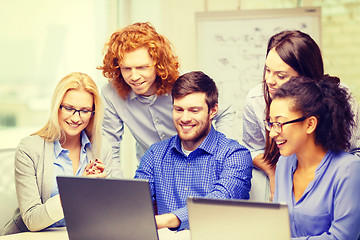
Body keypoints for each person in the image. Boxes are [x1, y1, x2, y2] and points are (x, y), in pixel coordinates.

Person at [98, 22, 234, 177]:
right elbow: (110, 145)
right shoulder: (111, 94)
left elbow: (225, 112)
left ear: (159, 64)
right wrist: (116, 188)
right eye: (126, 68)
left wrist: (221, 157)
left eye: (142, 67)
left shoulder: (185, 82)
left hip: (197, 167)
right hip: (152, 173)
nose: (134, 77)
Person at [242, 30, 360, 200]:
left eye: (281, 75)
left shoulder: (341, 98)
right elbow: (252, 148)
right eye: (267, 70)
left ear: (306, 78)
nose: (269, 80)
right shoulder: (256, 100)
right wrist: (275, 173)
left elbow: (354, 149)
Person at [134, 71, 252, 231]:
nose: (185, 118)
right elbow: (136, 202)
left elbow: (219, 202)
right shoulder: (155, 154)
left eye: (194, 110)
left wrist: (168, 220)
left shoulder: (235, 155)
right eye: (179, 109)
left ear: (213, 111)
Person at [1, 72, 112, 235]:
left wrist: (98, 190)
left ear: (93, 113)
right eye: (69, 108)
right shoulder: (29, 148)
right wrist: (77, 189)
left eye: (85, 110)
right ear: (56, 107)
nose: (76, 118)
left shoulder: (101, 148)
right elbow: (32, 220)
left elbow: (104, 214)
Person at [268, 75, 360, 239]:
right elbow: (277, 228)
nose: (273, 133)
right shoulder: (284, 163)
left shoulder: (349, 170)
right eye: (270, 122)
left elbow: (342, 238)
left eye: (279, 123)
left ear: (310, 124)